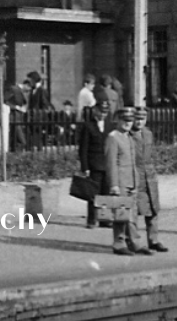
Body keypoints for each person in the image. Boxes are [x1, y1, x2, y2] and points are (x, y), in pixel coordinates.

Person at [105, 107, 146, 256]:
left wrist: (136, 181)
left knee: (132, 215)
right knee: (121, 215)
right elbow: (111, 162)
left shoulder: (129, 137)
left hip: (131, 181)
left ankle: (134, 242)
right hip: (120, 181)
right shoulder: (113, 137)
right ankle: (119, 243)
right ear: (118, 120)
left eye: (130, 121)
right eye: (125, 121)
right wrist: (114, 184)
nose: (128, 124)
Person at [130, 108, 168, 252]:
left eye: (142, 119)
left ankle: (154, 240)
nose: (139, 122)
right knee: (133, 211)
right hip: (135, 175)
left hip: (149, 175)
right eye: (137, 119)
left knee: (152, 208)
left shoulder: (148, 134)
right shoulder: (128, 134)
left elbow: (150, 154)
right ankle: (134, 242)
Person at [78, 98, 111, 229]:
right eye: (101, 111)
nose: (103, 115)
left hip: (107, 164)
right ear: (95, 110)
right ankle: (92, 219)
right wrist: (85, 167)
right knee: (93, 193)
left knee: (106, 193)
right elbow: (83, 149)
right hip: (94, 165)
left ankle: (104, 218)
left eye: (105, 112)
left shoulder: (110, 126)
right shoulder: (88, 126)